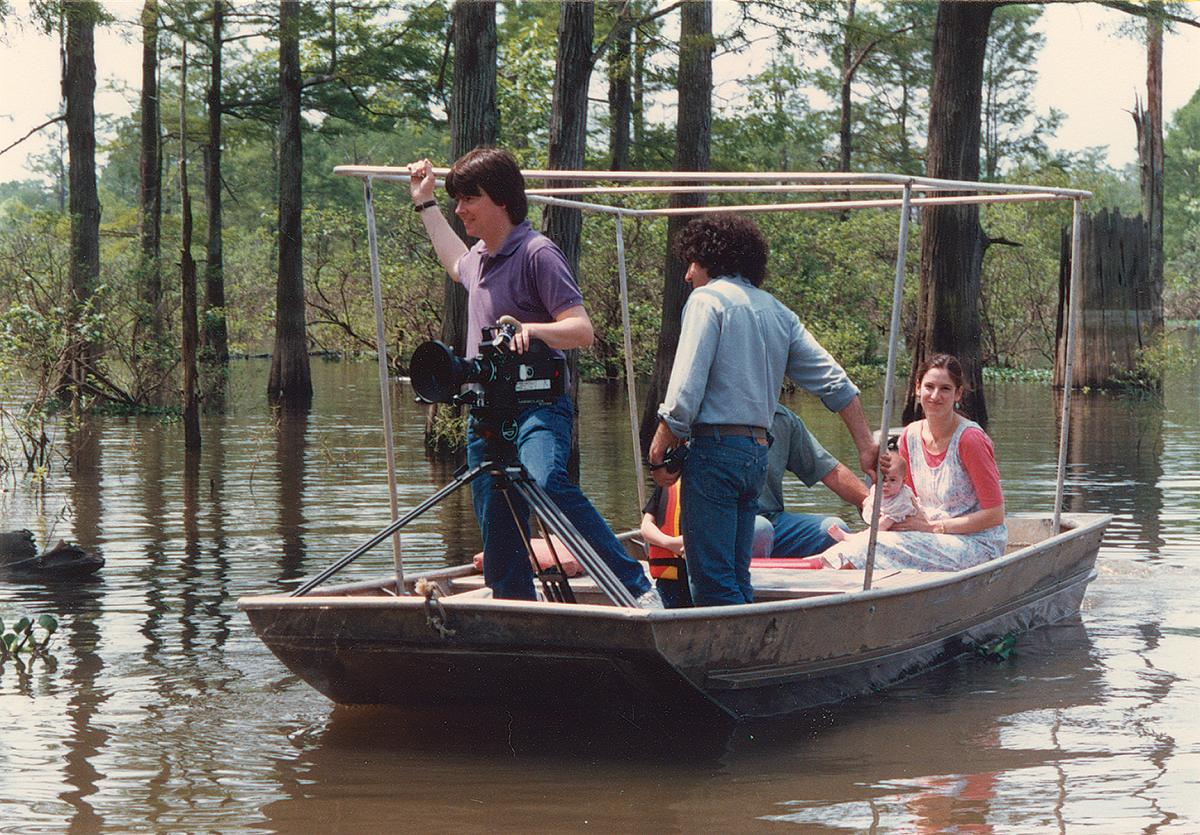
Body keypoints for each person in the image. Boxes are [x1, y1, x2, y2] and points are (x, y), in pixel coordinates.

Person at [407, 148, 660, 607]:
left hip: (538, 405)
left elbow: (581, 331)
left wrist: (531, 330)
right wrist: (424, 202)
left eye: (470, 198)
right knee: (496, 515)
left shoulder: (537, 253)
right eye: (456, 200)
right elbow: (452, 259)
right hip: (487, 409)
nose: (460, 209)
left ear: (501, 199)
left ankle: (636, 587)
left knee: (545, 481)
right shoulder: (479, 259)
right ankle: (513, 612)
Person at [648, 213, 878, 606]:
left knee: (713, 581)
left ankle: (725, 663)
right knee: (737, 574)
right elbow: (835, 383)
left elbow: (684, 393)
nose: (687, 275)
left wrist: (657, 451)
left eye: (693, 264)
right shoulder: (777, 310)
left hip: (716, 454)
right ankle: (749, 653)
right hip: (756, 455)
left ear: (711, 260)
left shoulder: (707, 300)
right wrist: (865, 446)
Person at [823, 353, 1007, 571]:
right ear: (918, 388)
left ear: (958, 393)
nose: (935, 395)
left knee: (867, 549)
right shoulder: (910, 435)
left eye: (945, 389)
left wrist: (932, 527)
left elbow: (995, 515)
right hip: (926, 532)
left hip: (975, 543)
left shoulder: (970, 439)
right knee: (845, 549)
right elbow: (907, 495)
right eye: (929, 387)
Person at [754, 403, 870, 558]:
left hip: (772, 520)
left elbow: (830, 470)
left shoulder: (782, 419)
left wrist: (872, 504)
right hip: (726, 523)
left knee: (834, 531)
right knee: (760, 530)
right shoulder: (715, 414)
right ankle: (748, 581)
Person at [639, 479, 774, 608]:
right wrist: (669, 543)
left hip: (703, 577)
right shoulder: (667, 484)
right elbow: (646, 527)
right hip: (670, 583)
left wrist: (694, 545)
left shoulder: (714, 488)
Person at [828, 454, 916, 542]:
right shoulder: (877, 490)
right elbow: (869, 503)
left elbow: (883, 525)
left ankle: (856, 538)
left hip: (904, 532)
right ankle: (860, 537)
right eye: (883, 479)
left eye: (892, 480)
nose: (886, 484)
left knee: (881, 526)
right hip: (886, 527)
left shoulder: (902, 500)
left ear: (903, 481)